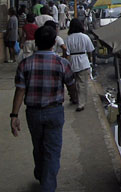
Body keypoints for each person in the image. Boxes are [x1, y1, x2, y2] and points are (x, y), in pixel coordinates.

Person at [10, 25, 77, 191]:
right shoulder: (62, 63)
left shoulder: (25, 64)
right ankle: (47, 185)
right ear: (54, 43)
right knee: (52, 151)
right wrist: (75, 98)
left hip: (33, 113)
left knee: (38, 146)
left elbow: (20, 90)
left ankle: (41, 173)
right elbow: (71, 85)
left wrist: (14, 115)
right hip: (55, 112)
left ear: (36, 43)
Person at [66, 18, 94, 112]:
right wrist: (90, 60)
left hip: (72, 62)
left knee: (73, 83)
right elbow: (90, 50)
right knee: (82, 84)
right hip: (83, 61)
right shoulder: (85, 37)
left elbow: (67, 53)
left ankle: (75, 98)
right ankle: (81, 103)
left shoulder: (68, 38)